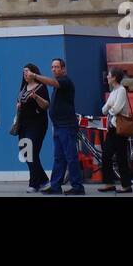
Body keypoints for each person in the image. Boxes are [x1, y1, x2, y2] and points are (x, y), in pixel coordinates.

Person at [31, 57, 83, 195]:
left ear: (63, 69)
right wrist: (36, 97)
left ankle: (77, 186)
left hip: (67, 126)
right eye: (52, 67)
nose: (54, 69)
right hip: (59, 126)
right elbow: (50, 105)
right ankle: (55, 185)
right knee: (58, 158)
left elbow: (52, 82)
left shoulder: (64, 81)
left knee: (71, 157)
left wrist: (35, 76)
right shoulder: (57, 85)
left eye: (57, 67)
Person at [97, 68, 133, 193]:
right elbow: (103, 110)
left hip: (120, 128)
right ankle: (108, 182)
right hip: (112, 128)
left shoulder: (121, 90)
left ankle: (126, 185)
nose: (107, 77)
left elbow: (116, 109)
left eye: (109, 75)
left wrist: (110, 107)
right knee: (106, 155)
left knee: (121, 157)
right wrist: (110, 106)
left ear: (114, 78)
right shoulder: (113, 92)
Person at [15, 63, 50, 193]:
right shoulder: (24, 87)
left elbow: (46, 105)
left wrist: (35, 97)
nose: (25, 74)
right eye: (23, 72)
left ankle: (34, 183)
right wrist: (18, 106)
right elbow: (19, 101)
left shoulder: (40, 87)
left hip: (37, 124)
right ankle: (44, 180)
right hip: (23, 123)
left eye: (27, 71)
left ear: (34, 73)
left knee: (31, 151)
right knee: (26, 152)